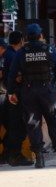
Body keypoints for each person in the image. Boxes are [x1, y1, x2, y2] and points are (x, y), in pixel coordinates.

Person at [7, 24, 56, 169]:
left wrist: (11, 92)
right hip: (47, 91)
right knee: (54, 123)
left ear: (27, 38)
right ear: (41, 36)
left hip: (28, 92)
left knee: (33, 124)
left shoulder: (22, 52)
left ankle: (39, 159)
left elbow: (12, 73)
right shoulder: (50, 50)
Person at [0, 32, 33, 166]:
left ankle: (7, 154)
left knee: (10, 127)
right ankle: (14, 155)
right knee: (18, 126)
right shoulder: (13, 55)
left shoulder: (5, 55)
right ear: (21, 40)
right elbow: (17, 77)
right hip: (11, 96)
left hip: (4, 94)